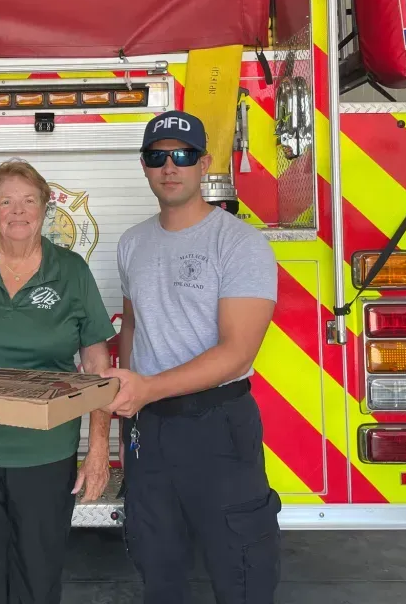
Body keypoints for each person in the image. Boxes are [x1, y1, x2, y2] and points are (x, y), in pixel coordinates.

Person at [101, 110, 282, 604]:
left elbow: (237, 352)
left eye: (182, 156)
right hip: (150, 430)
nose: (170, 167)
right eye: (157, 156)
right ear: (144, 165)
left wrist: (148, 389)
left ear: (204, 164)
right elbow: (133, 326)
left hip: (217, 426)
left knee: (241, 570)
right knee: (157, 564)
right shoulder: (132, 242)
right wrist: (129, 417)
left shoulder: (239, 243)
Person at [0, 158, 116, 604]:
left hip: (46, 450)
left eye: (29, 200)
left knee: (38, 576)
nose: (18, 211)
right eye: (5, 201)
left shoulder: (71, 270)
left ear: (46, 208)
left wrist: (98, 449)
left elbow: (97, 365)